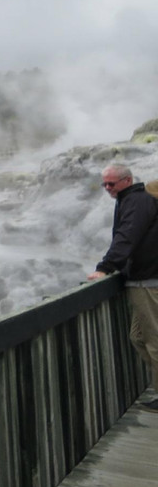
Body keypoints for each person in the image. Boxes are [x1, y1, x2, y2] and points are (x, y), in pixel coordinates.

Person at [87, 163, 158, 412]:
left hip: (147, 281)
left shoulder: (137, 201)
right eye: (104, 184)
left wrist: (105, 267)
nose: (107, 188)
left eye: (112, 183)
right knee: (138, 337)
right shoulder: (133, 198)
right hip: (141, 279)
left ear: (127, 180)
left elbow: (127, 236)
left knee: (154, 340)